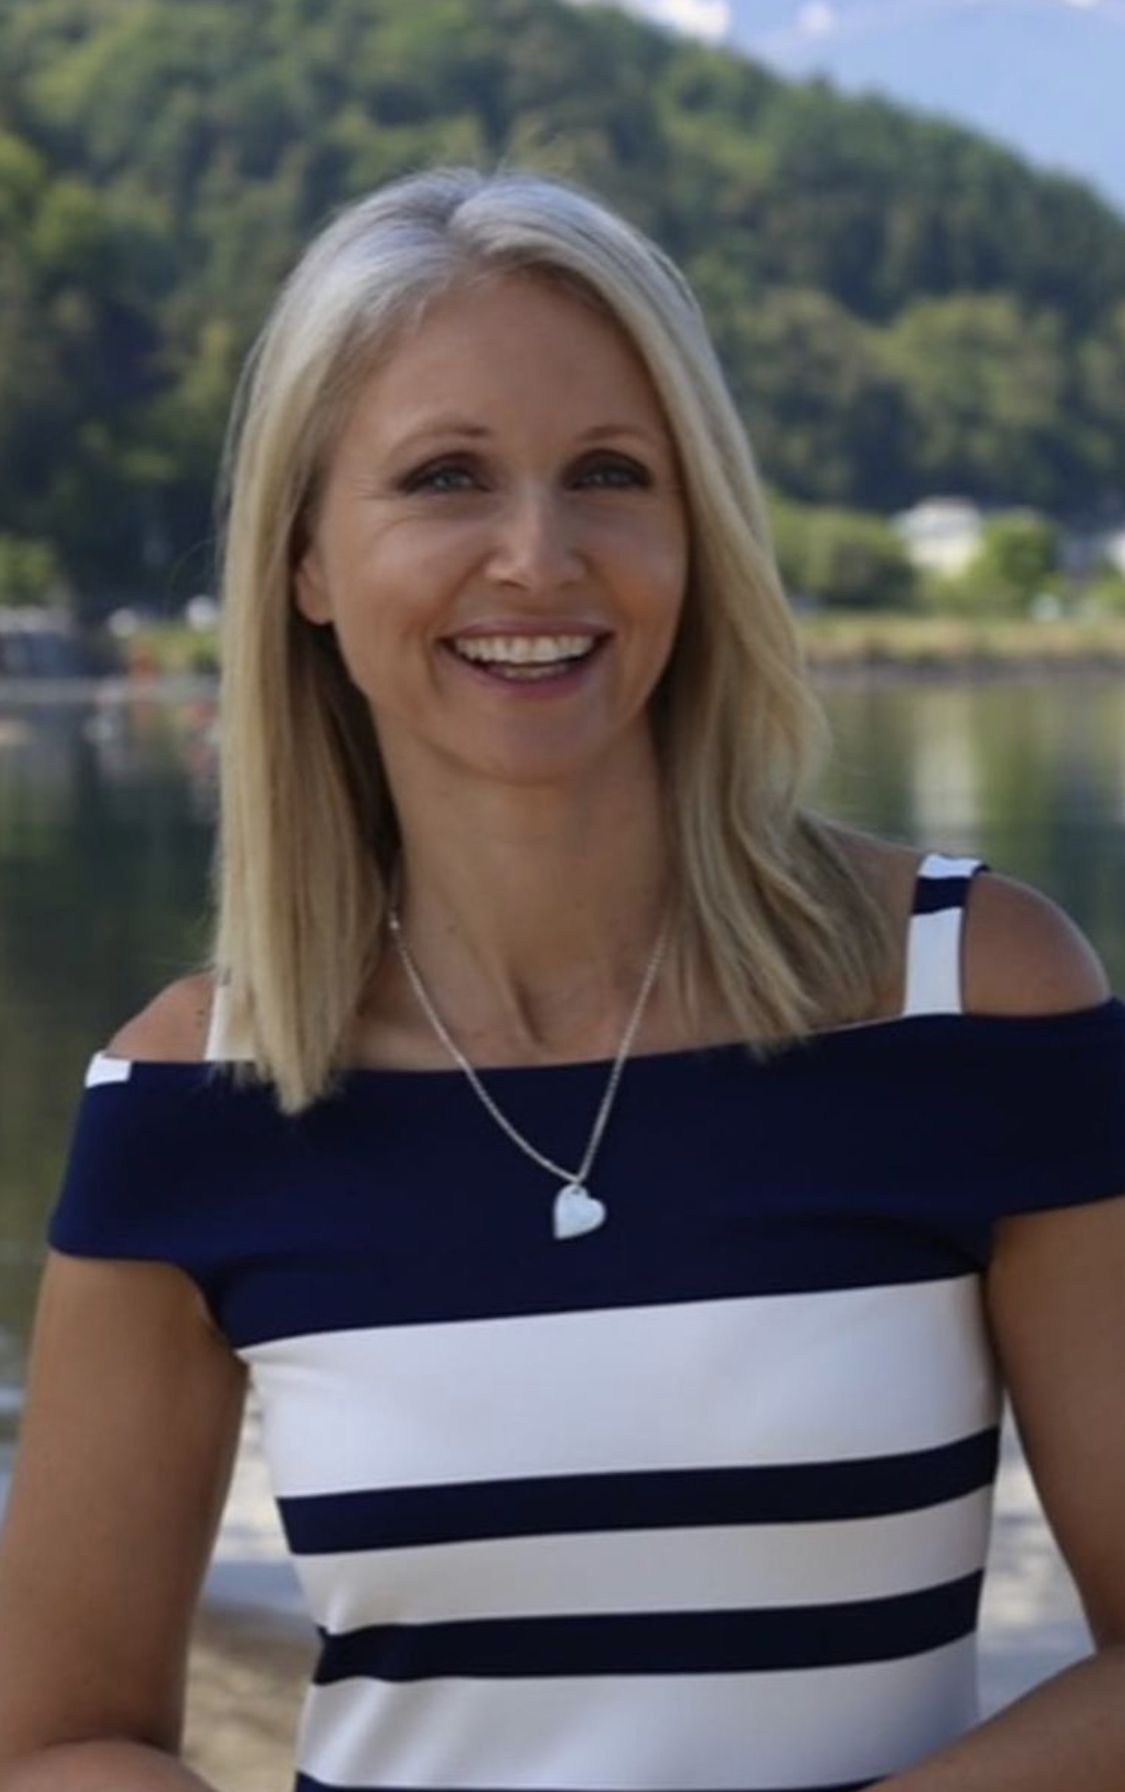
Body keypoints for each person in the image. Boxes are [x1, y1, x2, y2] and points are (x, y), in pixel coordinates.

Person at [0, 164, 1123, 1792]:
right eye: (444, 478)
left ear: (697, 531)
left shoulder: (970, 999)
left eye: (609, 474)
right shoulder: (191, 1100)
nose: (536, 558)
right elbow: (57, 1743)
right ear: (305, 559)